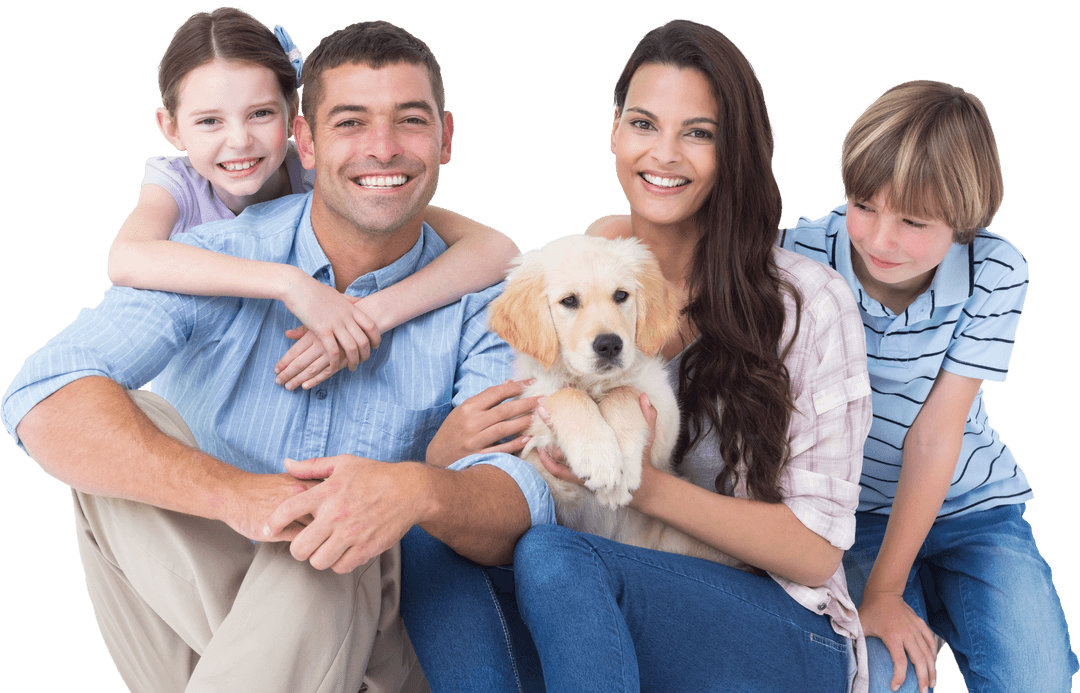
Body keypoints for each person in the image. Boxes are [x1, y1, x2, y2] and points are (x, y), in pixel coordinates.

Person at [1, 19, 554, 693]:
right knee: (120, 420)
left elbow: (512, 504)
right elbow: (42, 393)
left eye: (410, 121)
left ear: (446, 138)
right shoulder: (215, 258)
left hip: (384, 637)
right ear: (306, 141)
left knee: (340, 523)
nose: (382, 147)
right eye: (351, 122)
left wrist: (412, 487)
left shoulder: (489, 303)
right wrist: (239, 497)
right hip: (226, 601)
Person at [401, 19, 873, 693]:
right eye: (645, 124)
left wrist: (643, 485)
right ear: (615, 133)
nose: (665, 153)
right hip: (612, 588)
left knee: (557, 557)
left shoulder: (809, 303)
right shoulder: (593, 262)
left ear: (735, 149)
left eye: (698, 133)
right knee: (430, 537)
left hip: (783, 627)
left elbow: (816, 551)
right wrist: (444, 456)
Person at [780, 80, 1077, 693]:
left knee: (1037, 677)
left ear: (965, 221)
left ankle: (931, 593)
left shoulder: (996, 270)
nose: (879, 238)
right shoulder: (801, 252)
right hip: (852, 515)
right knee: (881, 676)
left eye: (913, 221)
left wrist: (888, 591)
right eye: (864, 205)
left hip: (970, 507)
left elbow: (935, 436)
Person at [108, 7, 519, 390]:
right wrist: (291, 284)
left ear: (293, 117)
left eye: (261, 114)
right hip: (201, 367)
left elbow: (496, 249)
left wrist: (371, 315)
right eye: (210, 121)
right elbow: (126, 258)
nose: (239, 140)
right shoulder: (176, 182)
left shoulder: (321, 171)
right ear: (171, 127)